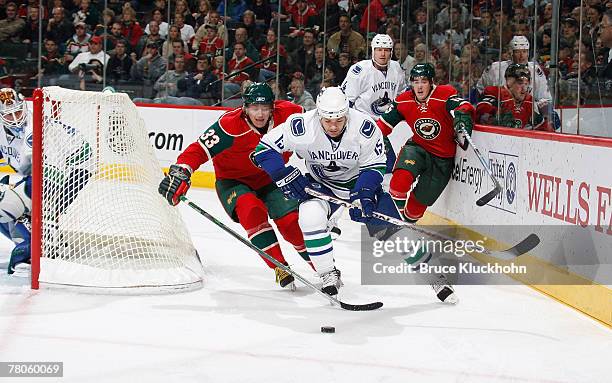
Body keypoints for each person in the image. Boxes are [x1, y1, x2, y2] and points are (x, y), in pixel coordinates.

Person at [157, 83, 311, 289]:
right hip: (234, 182)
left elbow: (320, 125)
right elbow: (199, 150)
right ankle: (279, 266)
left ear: (272, 107)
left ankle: (320, 266)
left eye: (265, 108)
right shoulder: (228, 125)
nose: (260, 114)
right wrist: (181, 171)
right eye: (254, 108)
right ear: (245, 108)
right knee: (251, 211)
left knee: (291, 222)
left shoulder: (291, 114)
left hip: (271, 179)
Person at [253, 87, 400, 297]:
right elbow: (265, 148)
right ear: (319, 114)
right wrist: (281, 173)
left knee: (390, 232)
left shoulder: (365, 126)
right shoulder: (302, 125)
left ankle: (433, 275)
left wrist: (365, 192)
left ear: (347, 113)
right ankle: (328, 274)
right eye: (328, 120)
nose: (333, 126)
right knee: (309, 218)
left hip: (359, 185)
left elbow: (375, 165)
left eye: (339, 120)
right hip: (323, 186)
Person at [0, 88, 32, 276]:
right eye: (9, 115)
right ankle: (24, 243)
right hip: (19, 178)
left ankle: (28, 247)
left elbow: (32, 166)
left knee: (8, 200)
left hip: (44, 179)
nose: (15, 118)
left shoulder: (33, 127)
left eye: (18, 112)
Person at [341, 34, 407, 119]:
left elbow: (402, 94)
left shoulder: (396, 67)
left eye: (386, 50)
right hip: (363, 119)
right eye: (379, 50)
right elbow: (346, 100)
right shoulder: (359, 70)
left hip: (388, 121)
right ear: (373, 51)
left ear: (391, 52)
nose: (382, 54)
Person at [477, 36, 552, 110]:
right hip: (500, 113)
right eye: (517, 52)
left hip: (527, 114)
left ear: (528, 53)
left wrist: (532, 107)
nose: (521, 56)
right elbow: (480, 89)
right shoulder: (496, 68)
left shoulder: (535, 70)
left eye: (524, 51)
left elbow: (545, 98)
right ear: (511, 53)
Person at [477, 64, 550, 130]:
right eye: (520, 83)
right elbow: (482, 116)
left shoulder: (529, 101)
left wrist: (545, 122)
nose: (524, 89)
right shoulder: (495, 92)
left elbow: (542, 128)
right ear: (509, 82)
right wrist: (497, 118)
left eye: (526, 84)